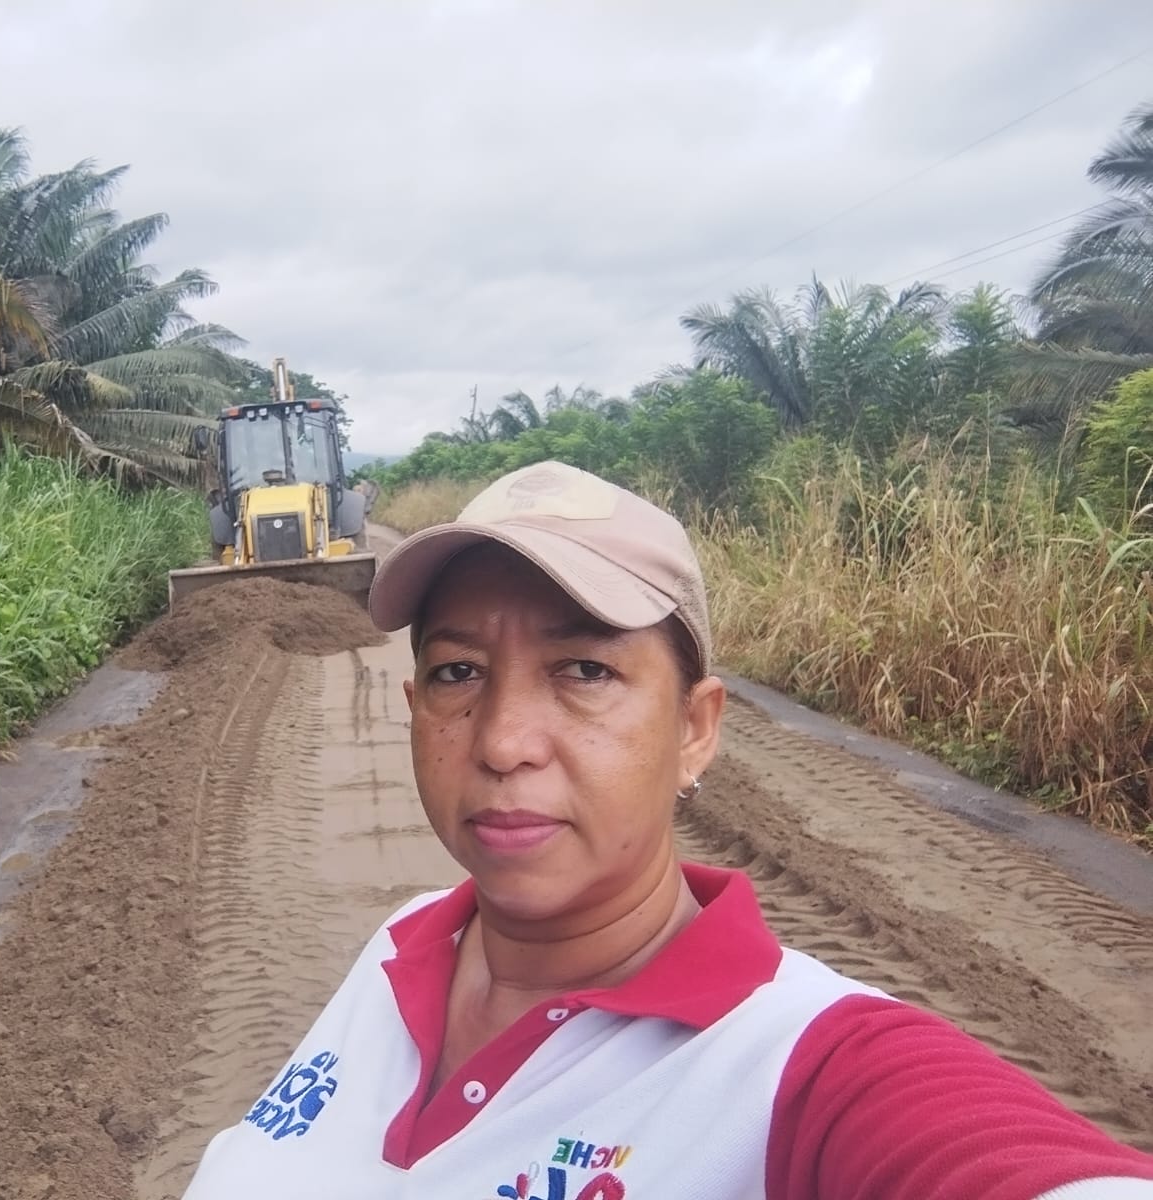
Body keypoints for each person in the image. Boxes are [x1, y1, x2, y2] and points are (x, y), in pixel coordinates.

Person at [180, 461, 1153, 1200]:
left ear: (694, 729)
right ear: (414, 707)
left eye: (585, 671)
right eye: (457, 672)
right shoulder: (399, 945)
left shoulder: (802, 1070)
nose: (503, 741)